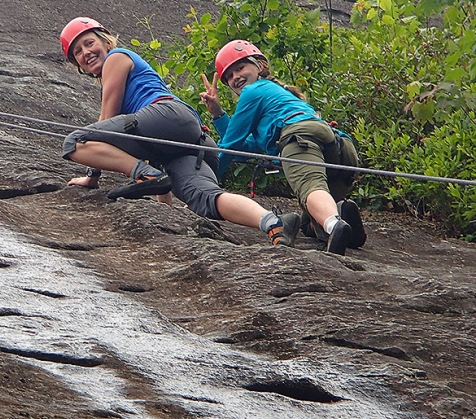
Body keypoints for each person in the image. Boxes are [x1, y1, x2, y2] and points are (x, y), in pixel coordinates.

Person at [59, 17, 300, 246]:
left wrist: (92, 176)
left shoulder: (117, 57)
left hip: (167, 116)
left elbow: (106, 122)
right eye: (78, 52)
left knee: (75, 141)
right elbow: (158, 162)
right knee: (208, 198)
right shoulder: (125, 76)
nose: (85, 52)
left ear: (105, 41)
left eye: (89, 43)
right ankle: (273, 223)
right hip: (192, 141)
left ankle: (144, 174)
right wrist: (164, 207)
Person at [199, 39, 367, 255]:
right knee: (310, 224)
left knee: (310, 188)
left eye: (239, 68)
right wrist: (218, 115)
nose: (235, 77)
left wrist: (203, 188)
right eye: (229, 76)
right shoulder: (276, 91)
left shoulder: (253, 92)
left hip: (300, 140)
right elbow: (245, 148)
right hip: (338, 146)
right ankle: (340, 211)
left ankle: (334, 223)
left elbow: (229, 148)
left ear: (258, 66)